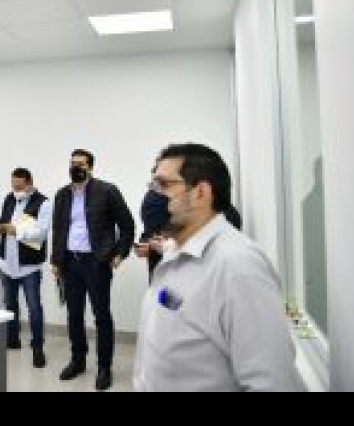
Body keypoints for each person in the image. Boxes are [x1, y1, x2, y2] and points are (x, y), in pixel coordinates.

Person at [133, 143, 304, 391]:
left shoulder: (238, 267)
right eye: (152, 186)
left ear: (201, 193)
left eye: (164, 185)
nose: (152, 196)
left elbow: (273, 383)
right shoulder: (175, 251)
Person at [51, 148, 134, 391]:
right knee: (74, 315)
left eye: (80, 164)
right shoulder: (62, 195)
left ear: (90, 167)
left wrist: (120, 253)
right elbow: (58, 229)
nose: (75, 167)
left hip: (96, 262)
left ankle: (104, 367)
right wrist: (56, 260)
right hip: (70, 262)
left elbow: (127, 224)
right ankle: (78, 360)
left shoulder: (107, 190)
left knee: (102, 315)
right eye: (72, 163)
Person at [0, 167, 51, 368]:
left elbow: (41, 233)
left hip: (29, 266)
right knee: (10, 305)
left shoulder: (43, 202)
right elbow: (4, 222)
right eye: (13, 186)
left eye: (19, 187)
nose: (15, 190)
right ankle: (12, 339)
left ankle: (37, 348)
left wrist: (16, 230)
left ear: (29, 184)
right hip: (7, 263)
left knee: (34, 308)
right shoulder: (9, 198)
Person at [135, 185, 244, 282]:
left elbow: (231, 224)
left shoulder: (211, 205)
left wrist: (171, 245)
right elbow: (151, 231)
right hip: (164, 277)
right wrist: (146, 243)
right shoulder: (152, 200)